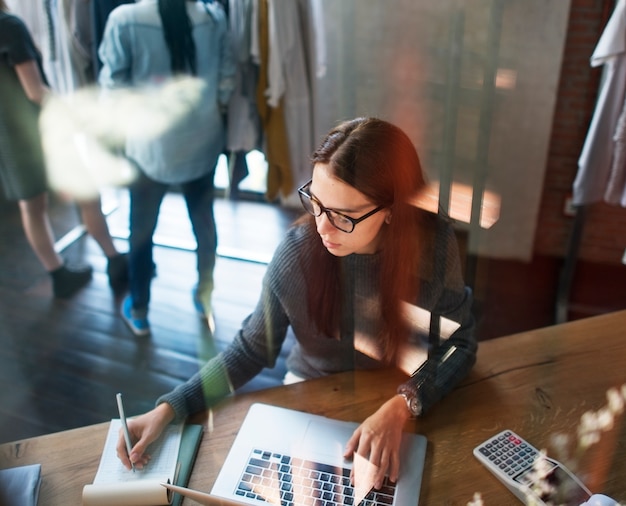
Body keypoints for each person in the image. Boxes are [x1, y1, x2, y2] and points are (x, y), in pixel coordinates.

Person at [116, 117, 477, 488]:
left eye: (344, 215)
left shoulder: (432, 247)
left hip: (396, 392)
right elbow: (250, 349)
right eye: (316, 203)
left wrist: (404, 405)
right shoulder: (297, 254)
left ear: (391, 210)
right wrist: (171, 407)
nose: (322, 226)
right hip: (311, 388)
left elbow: (460, 344)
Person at [98, 0, 236, 337]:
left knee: (141, 230)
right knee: (204, 224)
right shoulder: (212, 16)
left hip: (150, 147)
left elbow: (113, 86)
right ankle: (205, 296)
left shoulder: (124, 19)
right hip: (202, 139)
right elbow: (227, 79)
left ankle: (141, 310)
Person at [0, 1, 128, 298]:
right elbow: (35, 92)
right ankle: (115, 260)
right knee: (87, 194)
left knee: (31, 207)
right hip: (40, 132)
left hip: (6, 137)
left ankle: (58, 275)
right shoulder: (9, 26)